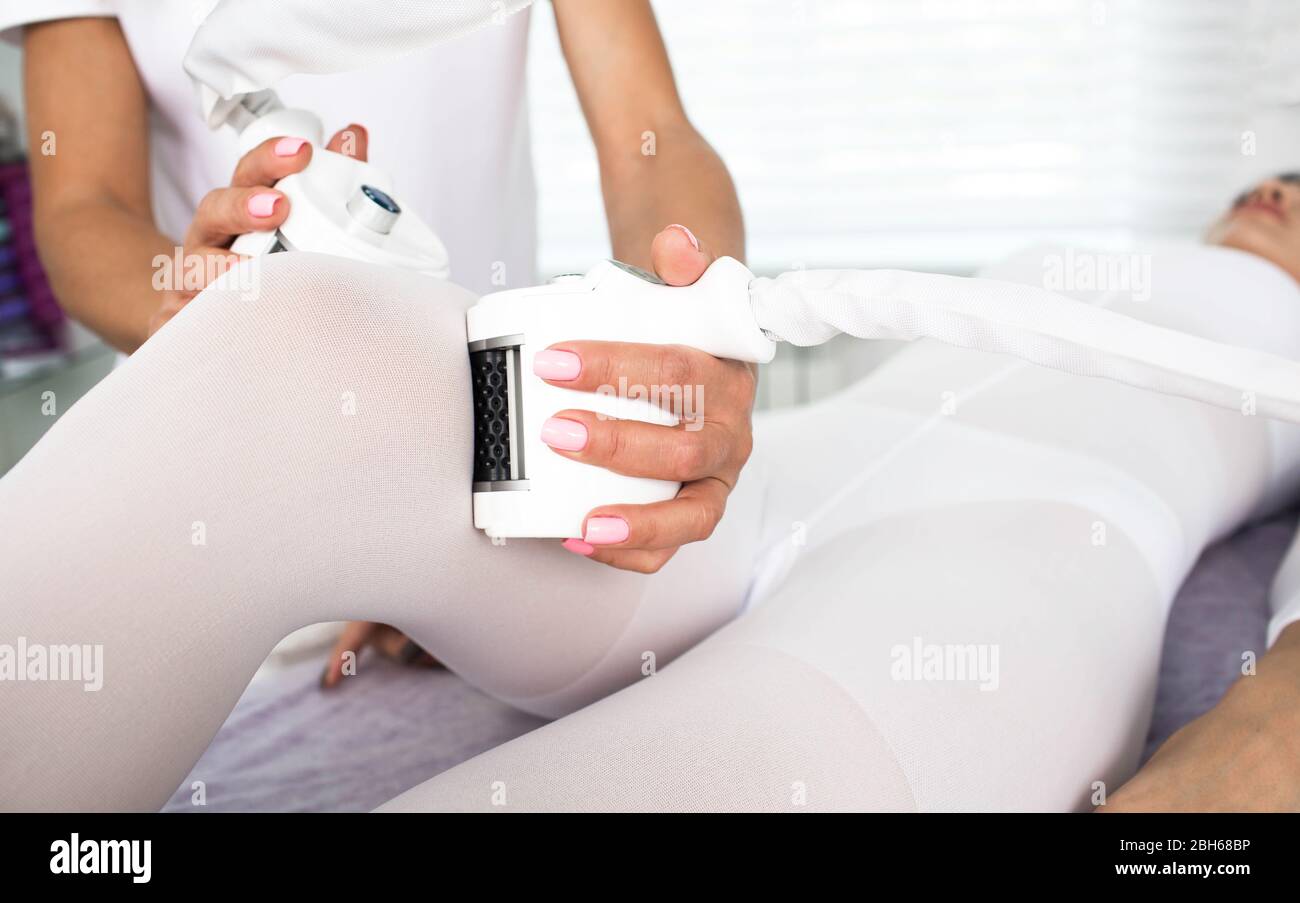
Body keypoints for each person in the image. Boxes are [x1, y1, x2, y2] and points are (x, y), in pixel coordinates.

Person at [3, 174, 1300, 812]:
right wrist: (393, 532)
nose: (1284, 184)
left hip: (997, 595)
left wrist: (1268, 730)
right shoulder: (1086, 249)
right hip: (764, 490)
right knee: (294, 333)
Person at [9, 1, 757, 680]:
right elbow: (84, 206)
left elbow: (649, 137)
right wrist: (188, 299)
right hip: (211, 473)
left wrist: (690, 321)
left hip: (480, 485)